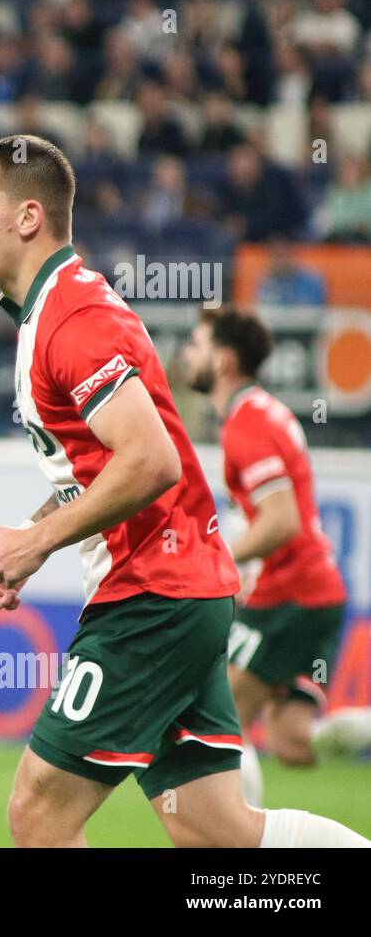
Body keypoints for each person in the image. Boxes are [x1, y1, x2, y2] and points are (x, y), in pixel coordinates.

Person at [0, 133, 368, 848]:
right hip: (183, 592)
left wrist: (39, 541)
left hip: (153, 597)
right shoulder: (51, 313)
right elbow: (101, 467)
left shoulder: (73, 318)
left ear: (26, 218)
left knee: (38, 810)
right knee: (216, 831)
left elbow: (151, 463)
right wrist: (25, 543)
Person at [182, 308, 371, 803]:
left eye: (196, 345)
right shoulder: (262, 413)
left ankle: (243, 853)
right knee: (293, 743)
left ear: (223, 361)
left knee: (221, 717)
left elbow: (281, 520)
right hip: (316, 592)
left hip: (293, 593)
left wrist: (215, 558)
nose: (186, 354)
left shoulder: (248, 425)